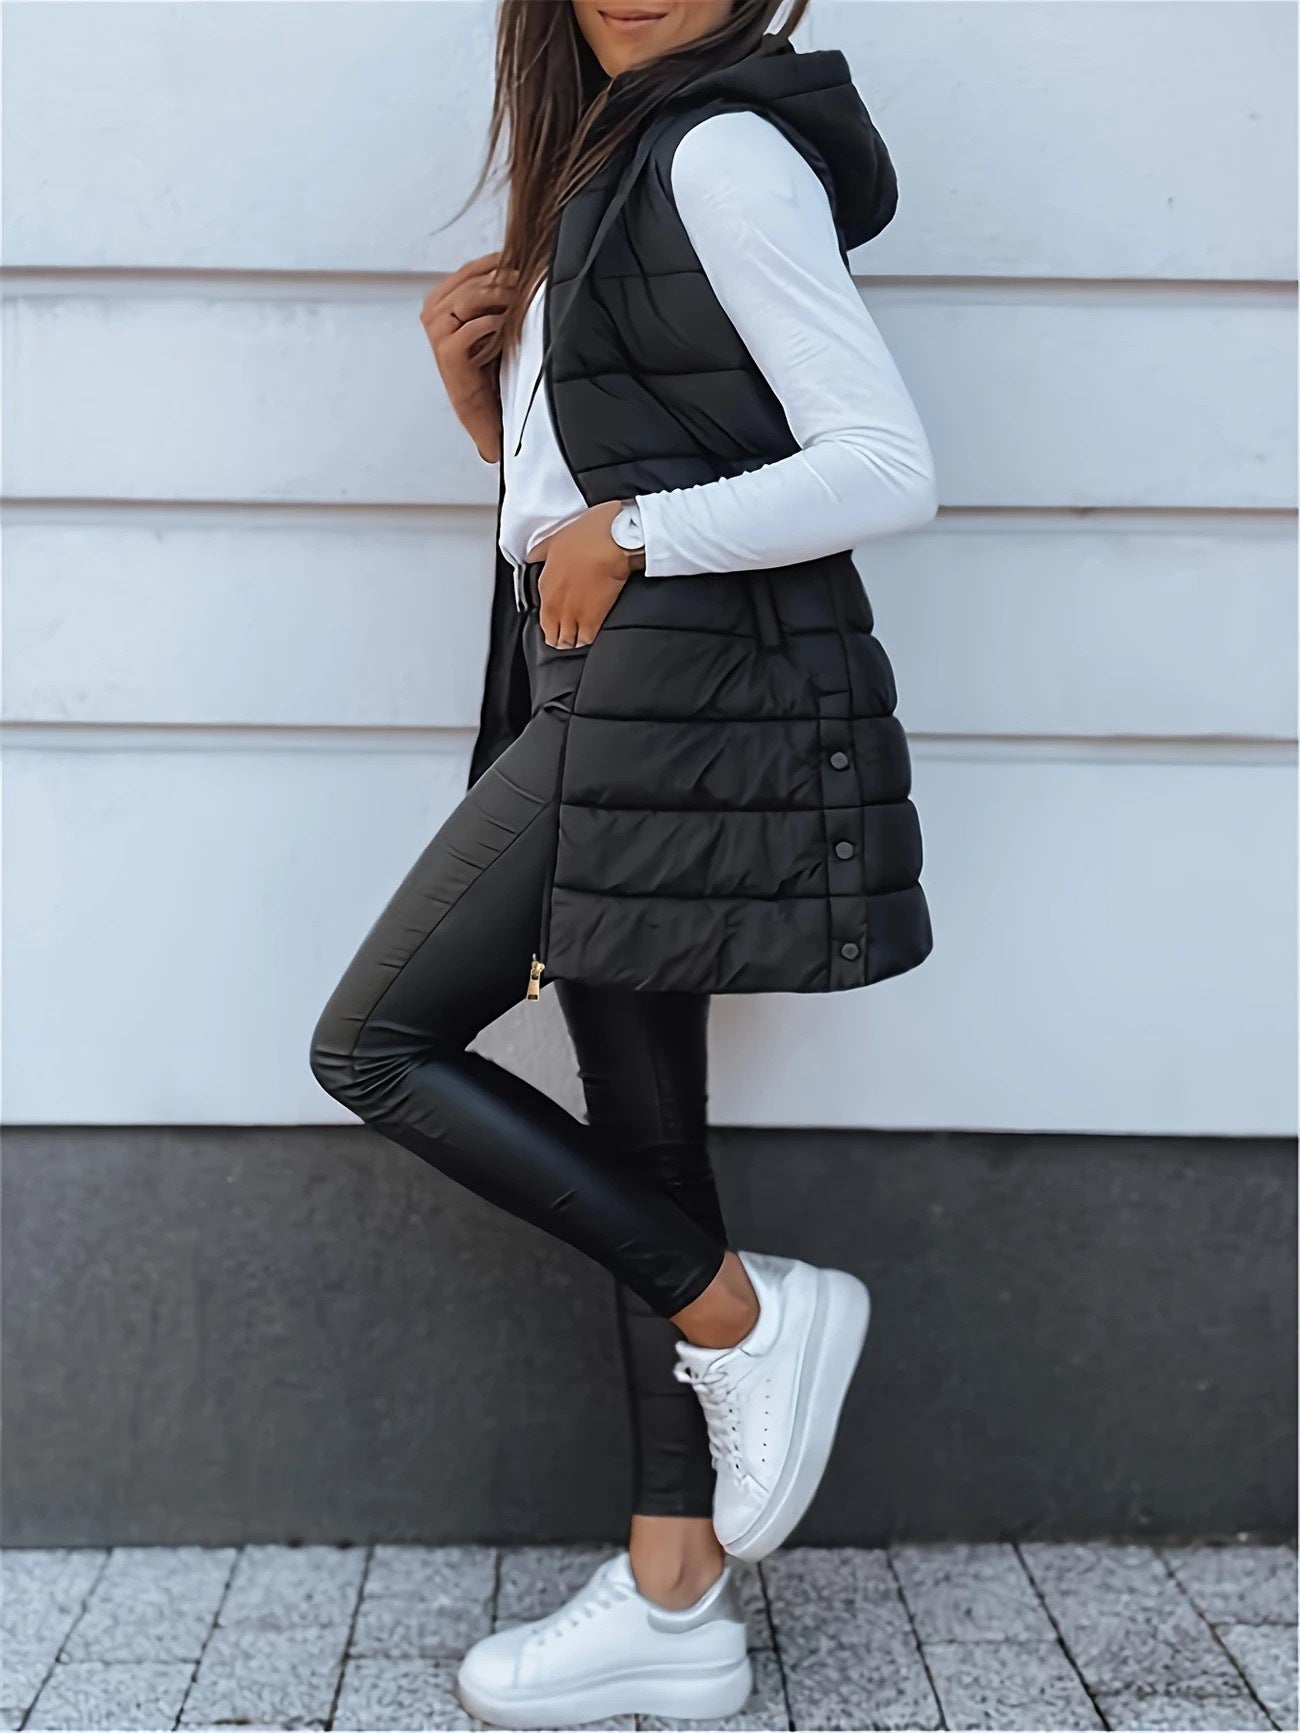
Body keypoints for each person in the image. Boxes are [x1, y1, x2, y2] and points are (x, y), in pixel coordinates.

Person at [309, 0, 938, 1722]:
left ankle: (744, 1318)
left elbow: (887, 464)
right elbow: (600, 474)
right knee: (647, 1136)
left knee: (374, 1042)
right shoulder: (614, 157)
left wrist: (637, 532)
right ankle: (676, 1601)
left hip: (665, 696)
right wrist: (490, 414)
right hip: (606, 685)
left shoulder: (721, 151)